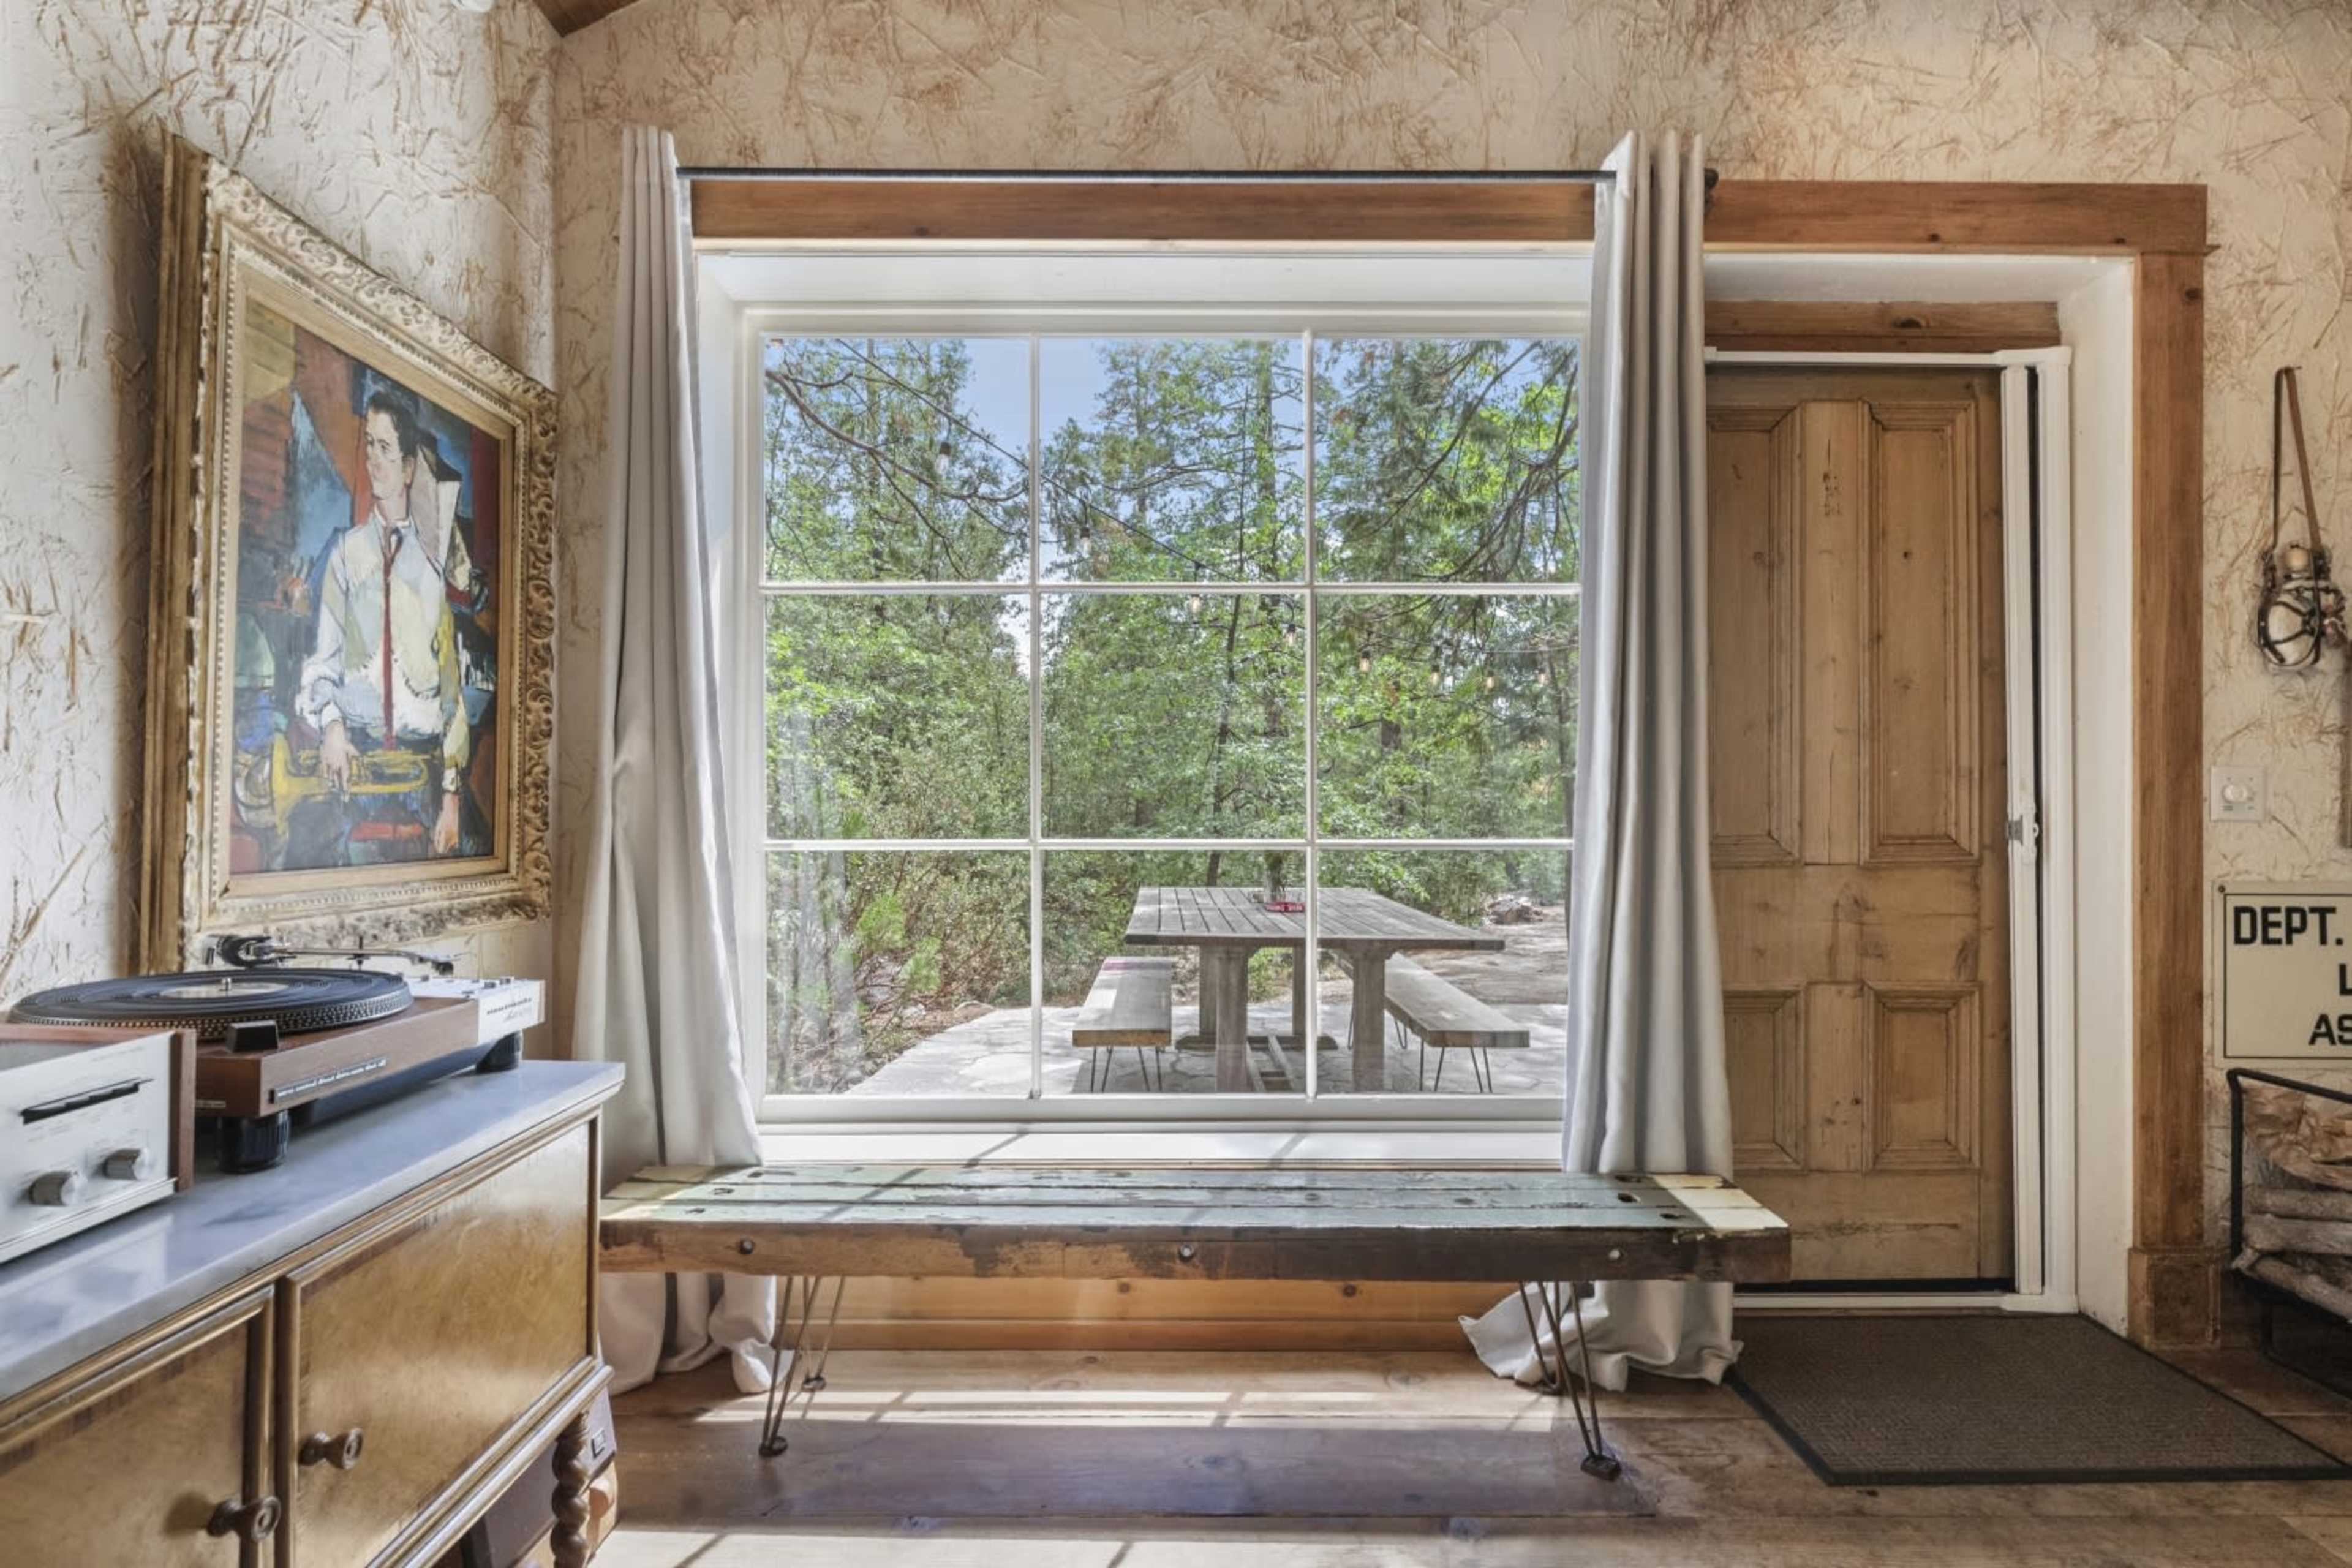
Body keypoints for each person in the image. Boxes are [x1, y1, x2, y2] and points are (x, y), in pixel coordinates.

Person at [291, 387, 478, 862]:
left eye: (385, 449)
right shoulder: (345, 555)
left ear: (410, 466)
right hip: (356, 763)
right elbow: (321, 665)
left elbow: (453, 693)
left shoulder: (433, 566)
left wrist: (453, 796)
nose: (373, 460)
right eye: (369, 445)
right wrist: (332, 728)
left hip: (425, 770)